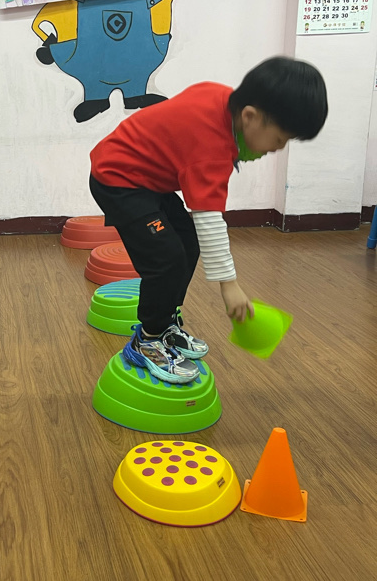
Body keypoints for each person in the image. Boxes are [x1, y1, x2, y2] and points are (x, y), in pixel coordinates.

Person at [89, 56, 328, 383]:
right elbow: (209, 219)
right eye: (279, 139)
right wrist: (229, 286)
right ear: (250, 116)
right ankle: (147, 340)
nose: (278, 148)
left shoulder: (222, 98)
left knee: (187, 240)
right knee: (166, 258)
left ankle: (165, 324)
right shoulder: (212, 147)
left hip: (147, 178)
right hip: (118, 178)